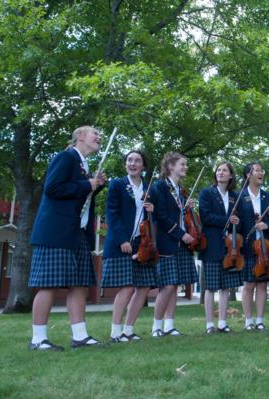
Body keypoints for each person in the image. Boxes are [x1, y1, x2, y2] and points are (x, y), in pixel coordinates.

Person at [28, 126, 107, 350]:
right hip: (56, 232)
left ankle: (80, 336)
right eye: (95, 134)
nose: (99, 138)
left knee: (80, 284)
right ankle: (38, 339)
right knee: (48, 284)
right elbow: (52, 188)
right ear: (80, 136)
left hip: (78, 233)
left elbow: (79, 195)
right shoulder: (66, 157)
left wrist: (95, 186)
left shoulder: (84, 164)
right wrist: (86, 184)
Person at [102, 150, 157, 342]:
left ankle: (128, 330)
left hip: (143, 243)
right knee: (126, 287)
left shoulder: (149, 189)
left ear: (143, 166)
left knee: (143, 287)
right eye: (129, 160)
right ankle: (115, 332)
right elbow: (112, 214)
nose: (133, 163)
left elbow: (152, 220)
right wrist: (122, 239)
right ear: (126, 164)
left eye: (137, 160)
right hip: (122, 242)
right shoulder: (117, 184)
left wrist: (152, 211)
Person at [150, 152, 198, 337]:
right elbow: (160, 215)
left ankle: (169, 325)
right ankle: (156, 326)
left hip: (182, 242)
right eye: (182, 164)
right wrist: (181, 234)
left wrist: (187, 207)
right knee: (168, 285)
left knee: (176, 284)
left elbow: (179, 213)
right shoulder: (160, 186)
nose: (185, 167)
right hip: (168, 240)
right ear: (171, 166)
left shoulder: (180, 190)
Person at [198, 162, 242, 334]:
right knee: (210, 286)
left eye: (225, 170)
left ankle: (222, 323)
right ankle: (210, 324)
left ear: (231, 175)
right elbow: (205, 216)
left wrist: (237, 221)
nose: (221, 172)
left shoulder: (234, 196)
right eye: (218, 170)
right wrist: (227, 220)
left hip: (230, 247)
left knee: (225, 286)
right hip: (211, 244)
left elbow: (239, 219)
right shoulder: (207, 192)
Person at [239, 162, 269, 330]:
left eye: (261, 170)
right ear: (248, 175)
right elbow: (236, 222)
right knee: (249, 285)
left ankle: (260, 320)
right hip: (248, 246)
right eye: (257, 170)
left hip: (265, 246)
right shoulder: (239, 196)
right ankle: (249, 321)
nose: (261, 172)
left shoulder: (268, 197)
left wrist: (266, 225)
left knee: (262, 284)